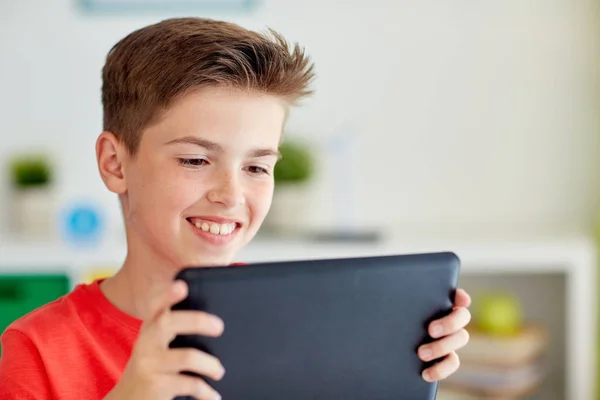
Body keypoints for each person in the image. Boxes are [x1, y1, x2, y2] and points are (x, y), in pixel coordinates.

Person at [0, 17, 471, 400]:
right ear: (115, 163)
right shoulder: (35, 352)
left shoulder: (305, 324)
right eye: (196, 160)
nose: (231, 194)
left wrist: (401, 371)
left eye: (257, 167)